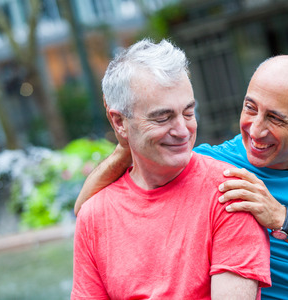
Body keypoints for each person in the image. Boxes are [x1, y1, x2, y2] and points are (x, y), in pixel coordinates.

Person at [74, 53, 288, 299]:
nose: (255, 130)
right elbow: (87, 210)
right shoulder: (215, 164)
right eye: (250, 108)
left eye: (275, 118)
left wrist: (280, 217)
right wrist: (125, 142)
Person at [71, 39, 272, 300]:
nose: (182, 131)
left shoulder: (231, 192)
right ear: (119, 122)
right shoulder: (94, 215)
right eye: (162, 117)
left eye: (188, 113)